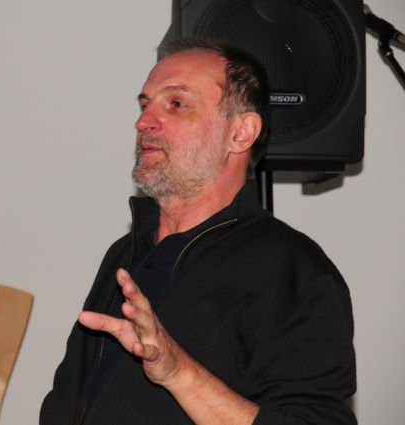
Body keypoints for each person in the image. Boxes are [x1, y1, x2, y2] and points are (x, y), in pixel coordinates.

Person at [39, 37, 356, 425]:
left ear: (241, 132)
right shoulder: (126, 252)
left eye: (176, 103)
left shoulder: (294, 269)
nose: (143, 122)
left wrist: (178, 372)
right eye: (145, 105)